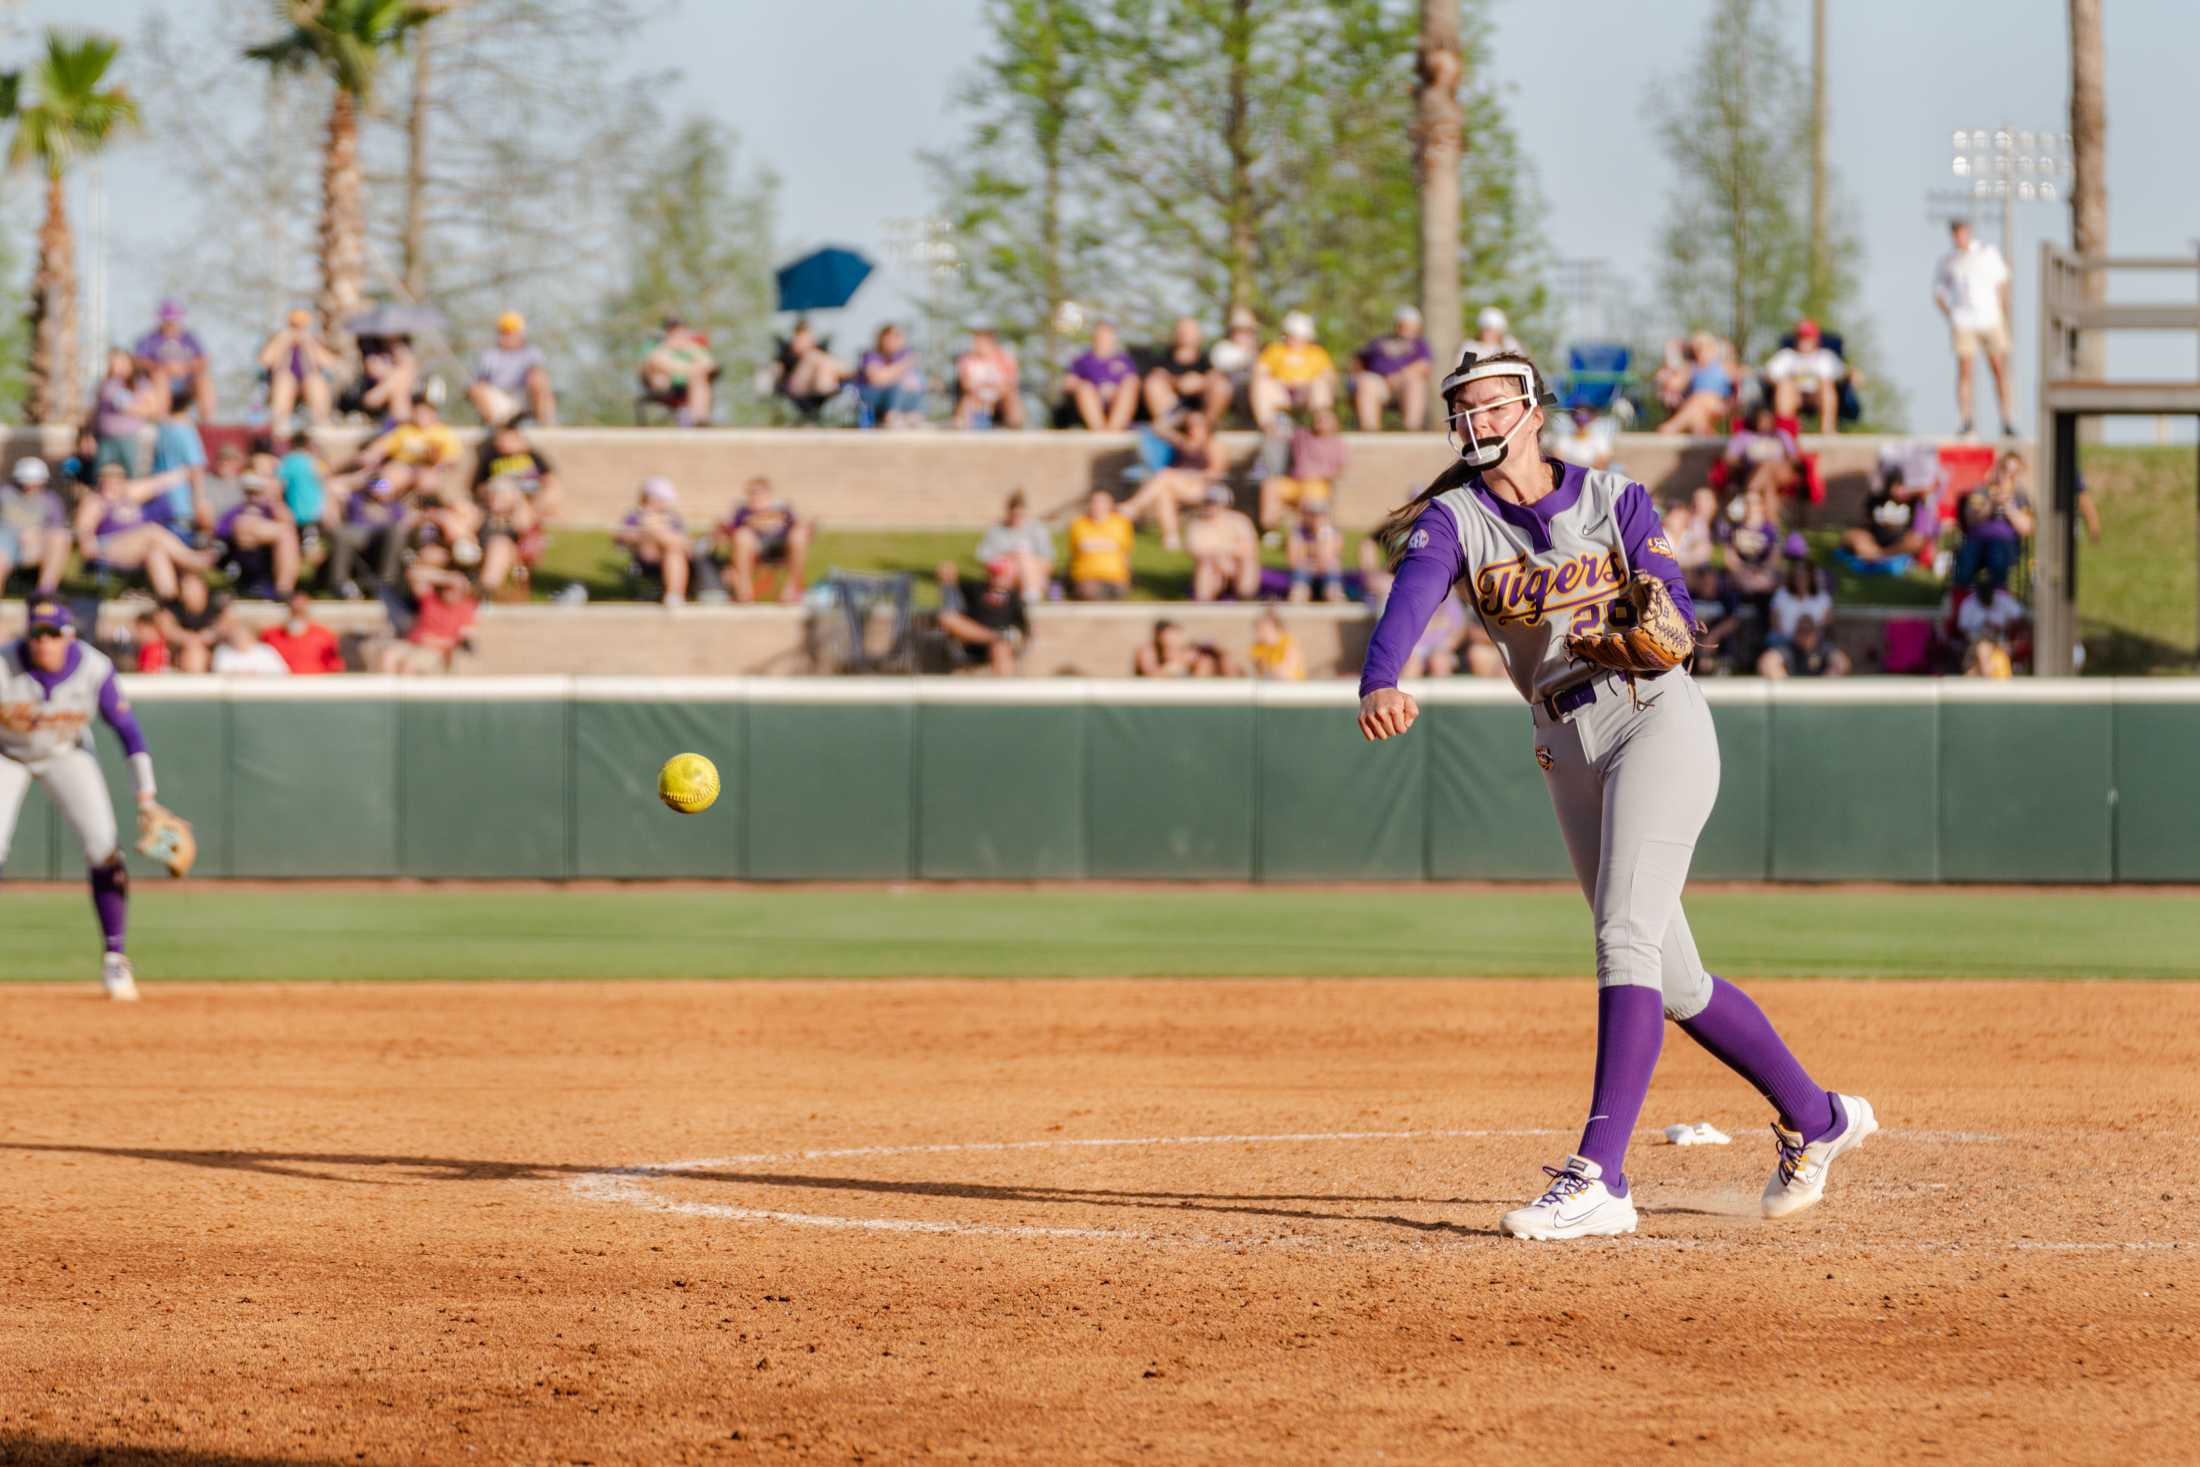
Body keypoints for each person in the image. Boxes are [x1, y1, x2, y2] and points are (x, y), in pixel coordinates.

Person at [1356, 345, 1874, 1241]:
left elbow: (1671, 600)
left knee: (1622, 933)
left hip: (1652, 718)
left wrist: (1663, 616)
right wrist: (1380, 677)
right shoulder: (1454, 519)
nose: (1476, 421)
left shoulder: (1613, 497)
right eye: (1464, 408)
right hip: (1564, 741)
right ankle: (1821, 1116)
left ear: (1530, 410)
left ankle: (1602, 1175)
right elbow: (1411, 597)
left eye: (1490, 404)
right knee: (1674, 977)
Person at [0, 598, 164, 999]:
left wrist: (146, 796)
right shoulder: (3, 665)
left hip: (66, 751)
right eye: (37, 634)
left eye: (53, 634)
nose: (44, 643)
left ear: (69, 635)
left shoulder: (94, 667)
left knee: (105, 849)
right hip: (6, 754)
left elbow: (129, 732)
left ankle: (115, 959)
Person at [1932, 218, 2017, 438]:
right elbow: (1939, 293)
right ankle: (1966, 421)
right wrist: (1952, 315)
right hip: (1964, 321)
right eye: (1955, 234)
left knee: (1998, 368)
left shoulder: (1988, 253)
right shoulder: (1948, 261)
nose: (1959, 237)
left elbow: (2003, 283)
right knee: (1965, 370)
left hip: (1990, 319)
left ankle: (2007, 419)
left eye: (1962, 232)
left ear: (1968, 232)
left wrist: (2002, 311)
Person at [1118, 409, 1226, 551]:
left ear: (1207, 426)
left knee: (1165, 476)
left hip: (1201, 487)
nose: (1193, 428)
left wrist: (1183, 474)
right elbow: (1158, 428)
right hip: (1176, 485)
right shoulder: (1182, 442)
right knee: (1164, 492)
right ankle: (1171, 537)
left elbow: (1216, 473)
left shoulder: (1212, 445)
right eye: (1190, 424)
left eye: (1198, 424)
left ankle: (1133, 507)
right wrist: (1180, 416)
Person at [716, 477, 812, 605]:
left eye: (759, 492)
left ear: (769, 494)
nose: (755, 496)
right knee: (742, 536)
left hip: (782, 547)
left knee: (799, 535)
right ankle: (745, 591)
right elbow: (728, 531)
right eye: (751, 492)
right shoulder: (743, 512)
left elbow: (800, 526)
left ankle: (792, 588)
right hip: (754, 550)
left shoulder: (782, 510)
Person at [1953, 451, 2034, 593]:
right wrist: (1991, 503)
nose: (2008, 476)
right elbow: (1971, 520)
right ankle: (1962, 601)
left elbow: (2026, 528)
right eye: (2004, 470)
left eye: (2014, 472)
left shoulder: (2020, 496)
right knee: (1966, 560)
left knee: (1998, 554)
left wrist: (2008, 505)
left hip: (2005, 544)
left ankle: (1997, 599)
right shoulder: (1981, 491)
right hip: (1977, 540)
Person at [1259, 408, 1348, 532]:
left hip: (1318, 485)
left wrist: (1320, 476)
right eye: (1319, 418)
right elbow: (1279, 433)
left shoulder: (1338, 444)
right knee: (1271, 486)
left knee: (1310, 494)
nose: (1320, 421)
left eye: (1325, 419)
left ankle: (1304, 534)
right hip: (1295, 483)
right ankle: (1269, 529)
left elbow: (1339, 470)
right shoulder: (1302, 435)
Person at [935, 558, 1026, 675]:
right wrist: (947, 578)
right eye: (994, 573)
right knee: (946, 617)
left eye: (1001, 574)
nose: (997, 577)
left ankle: (1005, 690)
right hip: (971, 639)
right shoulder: (976, 588)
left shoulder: (1016, 596)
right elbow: (951, 594)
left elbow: (1024, 628)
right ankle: (994, 636)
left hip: (1001, 644)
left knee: (1000, 647)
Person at [1840, 462, 1935, 571]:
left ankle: (1879, 556)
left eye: (1899, 486)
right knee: (1850, 536)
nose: (1896, 490)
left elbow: (1929, 490)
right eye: (1893, 486)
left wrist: (1911, 493)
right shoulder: (1876, 499)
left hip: (1899, 544)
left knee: (1916, 541)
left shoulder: (1911, 500)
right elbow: (1864, 522)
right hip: (1875, 541)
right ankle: (1877, 555)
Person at [468, 311, 557, 427]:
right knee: (476, 389)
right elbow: (481, 384)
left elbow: (537, 378)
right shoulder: (488, 356)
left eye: (512, 332)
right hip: (500, 402)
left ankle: (545, 424)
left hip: (525, 398)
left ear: (521, 333)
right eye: (505, 332)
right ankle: (497, 430)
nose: (508, 336)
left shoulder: (531, 353)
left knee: (539, 379)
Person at [132, 299, 216, 420]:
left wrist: (185, 368)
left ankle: (207, 422)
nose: (171, 324)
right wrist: (162, 368)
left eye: (174, 321)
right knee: (160, 376)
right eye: (168, 321)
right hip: (158, 384)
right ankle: (161, 419)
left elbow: (204, 359)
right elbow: (138, 360)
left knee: (204, 381)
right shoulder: (149, 339)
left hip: (186, 383)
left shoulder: (189, 338)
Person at [1353, 305, 1434, 431]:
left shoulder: (1420, 344)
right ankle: (1369, 430)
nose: (1406, 328)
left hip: (1404, 383)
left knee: (1415, 383)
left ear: (1417, 327)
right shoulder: (1379, 341)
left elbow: (1424, 366)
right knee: (1365, 381)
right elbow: (1359, 360)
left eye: (1410, 325)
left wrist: (1399, 376)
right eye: (1403, 324)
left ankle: (1412, 429)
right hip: (1379, 382)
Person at [1250, 311, 1336, 429]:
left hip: (1306, 393)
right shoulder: (1275, 350)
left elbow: (1330, 377)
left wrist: (1307, 383)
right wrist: (1278, 382)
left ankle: (1322, 425)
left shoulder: (1317, 353)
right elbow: (1259, 372)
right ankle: (1268, 426)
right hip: (1281, 392)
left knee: (1320, 385)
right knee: (1261, 385)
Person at [615, 476, 693, 606]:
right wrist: (649, 531)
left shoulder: (672, 517)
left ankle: (674, 595)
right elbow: (622, 537)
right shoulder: (635, 516)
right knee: (660, 534)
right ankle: (674, 596)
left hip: (674, 555)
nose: (665, 503)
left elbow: (685, 541)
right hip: (648, 557)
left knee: (672, 549)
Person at [1762, 319, 1847, 435]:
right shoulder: (1787, 356)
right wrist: (1785, 382)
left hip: (1817, 395)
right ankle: (1785, 431)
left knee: (1826, 385)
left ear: (1815, 339)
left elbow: (1842, 375)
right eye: (1800, 337)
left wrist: (1852, 375)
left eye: (1807, 337)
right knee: (1785, 386)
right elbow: (1769, 374)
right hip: (1794, 395)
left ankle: (1827, 430)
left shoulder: (1826, 357)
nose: (1803, 341)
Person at [258, 308, 339, 428]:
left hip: (308, 379)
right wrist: (282, 341)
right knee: (284, 381)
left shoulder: (314, 340)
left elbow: (329, 363)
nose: (297, 330)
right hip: (284, 378)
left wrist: (310, 344)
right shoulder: (278, 338)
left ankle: (322, 422)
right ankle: (280, 424)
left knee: (315, 381)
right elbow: (265, 361)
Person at [1, 458, 71, 595]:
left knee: (60, 537)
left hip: (35, 544)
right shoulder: (4, 493)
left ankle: (44, 594)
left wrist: (36, 533)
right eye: (25, 483)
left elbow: (58, 526)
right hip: (4, 542)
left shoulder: (51, 500)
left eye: (35, 483)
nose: (30, 487)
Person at [1142, 316, 1230, 425]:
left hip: (1201, 409)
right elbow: (1156, 375)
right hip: (1172, 407)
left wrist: (1200, 382)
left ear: (1199, 336)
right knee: (1153, 383)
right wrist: (1177, 382)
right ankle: (1171, 426)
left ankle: (1206, 428)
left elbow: (1216, 377)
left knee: (1221, 386)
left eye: (1190, 330)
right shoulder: (1162, 358)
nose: (1185, 334)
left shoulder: (1207, 360)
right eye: (1182, 330)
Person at [1184, 484, 1260, 603]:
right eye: (1208, 502)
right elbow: (1194, 550)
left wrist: (1222, 554)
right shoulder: (1196, 524)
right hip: (1213, 568)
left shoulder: (1239, 521)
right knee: (1207, 566)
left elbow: (1249, 549)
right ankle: (1203, 602)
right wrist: (1219, 558)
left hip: (1235, 565)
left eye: (1215, 503)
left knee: (1248, 562)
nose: (1211, 506)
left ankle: (1246, 597)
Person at [975, 490, 1053, 602]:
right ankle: (1027, 598)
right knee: (1013, 563)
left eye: (1020, 515)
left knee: (1023, 558)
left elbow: (1047, 560)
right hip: (1006, 572)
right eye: (1014, 515)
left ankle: (1028, 596)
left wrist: (1023, 560)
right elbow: (983, 556)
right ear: (1008, 512)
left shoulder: (1036, 529)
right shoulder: (997, 530)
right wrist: (1008, 558)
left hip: (1033, 572)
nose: (1017, 518)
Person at [1062, 321, 1141, 432]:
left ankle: (1113, 430)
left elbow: (1133, 381)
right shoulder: (1082, 361)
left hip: (1116, 401)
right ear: (1094, 338)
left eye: (1107, 336)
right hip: (1091, 401)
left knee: (1129, 387)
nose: (1104, 340)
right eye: (1101, 336)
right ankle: (1101, 432)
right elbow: (1067, 384)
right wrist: (1093, 389)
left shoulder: (1124, 361)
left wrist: (1114, 391)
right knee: (1085, 388)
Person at [641, 318, 720, 426]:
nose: (678, 335)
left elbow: (710, 364)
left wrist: (691, 349)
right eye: (673, 332)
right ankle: (692, 420)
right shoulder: (658, 346)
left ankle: (699, 422)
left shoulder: (692, 347)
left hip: (689, 386)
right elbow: (656, 362)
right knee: (659, 374)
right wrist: (689, 369)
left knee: (699, 381)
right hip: (665, 385)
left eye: (681, 332)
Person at [1656, 332, 1734, 435]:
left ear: (1713, 348)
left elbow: (1741, 379)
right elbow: (1674, 385)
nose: (1702, 351)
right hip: (1696, 405)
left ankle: (1673, 426)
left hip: (1719, 404)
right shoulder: (1691, 368)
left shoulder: (1724, 366)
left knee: (1700, 399)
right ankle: (1709, 436)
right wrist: (1670, 355)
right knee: (1698, 417)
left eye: (1705, 346)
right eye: (1697, 348)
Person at [1719, 404, 1802, 501]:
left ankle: (1749, 494)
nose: (1764, 423)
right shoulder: (1744, 436)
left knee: (1768, 464)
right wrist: (1744, 462)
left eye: (1767, 420)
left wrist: (1784, 461)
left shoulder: (1781, 435)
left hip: (1782, 471)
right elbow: (1728, 458)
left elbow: (1794, 458)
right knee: (1769, 486)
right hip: (1753, 470)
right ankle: (1768, 514)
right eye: (1761, 420)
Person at [1066, 489, 1135, 601]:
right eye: (1095, 501)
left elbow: (1124, 552)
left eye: (1102, 502)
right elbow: (1083, 547)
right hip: (1087, 575)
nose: (1098, 505)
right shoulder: (1079, 524)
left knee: (1117, 593)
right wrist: (1109, 544)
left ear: (1110, 504)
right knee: (1091, 592)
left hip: (1116, 576)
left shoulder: (1121, 524)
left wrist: (1129, 576)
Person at [766, 319, 841, 422]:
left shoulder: (818, 351)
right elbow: (775, 370)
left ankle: (831, 382)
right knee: (816, 358)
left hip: (816, 385)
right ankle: (851, 375)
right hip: (797, 388)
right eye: (802, 338)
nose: (805, 341)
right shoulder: (787, 356)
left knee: (822, 363)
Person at [855, 323, 926, 429]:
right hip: (872, 396)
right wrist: (903, 365)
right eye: (891, 336)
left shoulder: (902, 356)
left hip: (898, 398)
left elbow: (915, 384)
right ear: (882, 338)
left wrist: (891, 375)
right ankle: (892, 417)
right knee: (897, 386)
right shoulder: (871, 355)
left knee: (917, 387)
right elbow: (876, 380)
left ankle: (911, 417)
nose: (894, 340)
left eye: (898, 336)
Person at [953, 326, 1024, 430]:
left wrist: (994, 392)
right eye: (976, 341)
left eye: (981, 341)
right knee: (967, 402)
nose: (977, 345)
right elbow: (965, 384)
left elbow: (1011, 383)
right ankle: (963, 430)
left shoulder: (1004, 359)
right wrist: (982, 391)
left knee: (1012, 400)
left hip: (1000, 396)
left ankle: (1015, 430)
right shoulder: (967, 360)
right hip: (976, 396)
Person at [261, 590, 345, 674]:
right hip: (281, 684)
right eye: (294, 609)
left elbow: (335, 667)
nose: (297, 612)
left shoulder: (324, 635)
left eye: (301, 609)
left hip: (316, 683)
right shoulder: (271, 635)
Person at [1286, 496, 1345, 603]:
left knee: (1333, 591)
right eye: (1311, 514)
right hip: (1303, 574)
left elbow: (1326, 558)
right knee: (1298, 593)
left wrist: (1320, 533)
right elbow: (1293, 560)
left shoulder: (1332, 533)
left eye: (1319, 514)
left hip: (1327, 573)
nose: (1315, 518)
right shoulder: (1297, 532)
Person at [209, 604, 291, 677]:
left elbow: (282, 673)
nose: (239, 638)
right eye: (236, 634)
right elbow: (218, 674)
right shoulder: (223, 651)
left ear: (251, 636)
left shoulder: (265, 651)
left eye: (242, 635)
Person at [1133, 619, 1211, 677]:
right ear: (1160, 636)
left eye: (1176, 635)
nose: (1174, 639)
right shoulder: (1148, 650)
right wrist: (1178, 663)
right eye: (1170, 635)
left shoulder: (1185, 650)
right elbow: (1150, 676)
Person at [1248, 608, 1305, 680]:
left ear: (1274, 626)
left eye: (1263, 627)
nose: (1259, 631)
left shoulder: (1289, 643)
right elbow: (1258, 674)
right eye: (1258, 628)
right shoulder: (1258, 647)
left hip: (1292, 687)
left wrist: (1269, 667)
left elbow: (1288, 674)